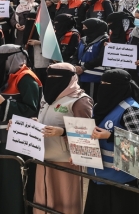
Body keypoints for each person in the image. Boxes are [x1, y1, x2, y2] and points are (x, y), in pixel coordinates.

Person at [0, 45, 41, 214]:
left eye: (1, 61)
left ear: (12, 59)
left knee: (12, 176)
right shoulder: (7, 76)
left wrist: (3, 102)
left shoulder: (26, 78)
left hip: (14, 137)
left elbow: (31, 109)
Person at [84, 69, 139, 214]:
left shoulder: (132, 110)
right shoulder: (101, 106)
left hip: (121, 182)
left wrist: (110, 136)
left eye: (107, 84)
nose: (103, 87)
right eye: (102, 83)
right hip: (97, 177)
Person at [35, 63, 93, 214]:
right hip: (43, 157)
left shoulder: (80, 100)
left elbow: (87, 134)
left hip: (66, 161)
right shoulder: (46, 96)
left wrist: (62, 132)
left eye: (57, 77)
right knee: (43, 200)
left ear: (70, 79)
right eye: (50, 76)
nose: (52, 80)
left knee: (66, 201)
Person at [73, 18, 108, 100]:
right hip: (80, 76)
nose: (83, 30)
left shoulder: (105, 40)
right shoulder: (83, 40)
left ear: (94, 28)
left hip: (94, 78)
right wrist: (75, 65)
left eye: (85, 28)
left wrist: (83, 67)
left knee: (90, 101)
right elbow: (75, 55)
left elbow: (101, 58)